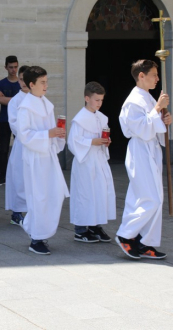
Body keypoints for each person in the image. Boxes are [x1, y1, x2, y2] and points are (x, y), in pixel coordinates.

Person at [115, 59, 173, 260]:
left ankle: (145, 242)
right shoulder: (133, 101)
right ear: (141, 75)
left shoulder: (147, 97)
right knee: (151, 199)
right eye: (154, 75)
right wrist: (157, 110)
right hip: (140, 151)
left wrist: (165, 120)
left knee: (146, 197)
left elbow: (154, 125)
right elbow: (140, 129)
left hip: (151, 151)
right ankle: (126, 235)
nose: (157, 79)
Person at [17, 66, 69, 255]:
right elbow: (24, 135)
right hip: (35, 158)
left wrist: (58, 135)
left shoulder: (47, 104)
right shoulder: (25, 107)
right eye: (42, 82)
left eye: (47, 81)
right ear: (32, 84)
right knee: (39, 197)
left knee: (53, 194)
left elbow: (50, 131)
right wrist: (49, 133)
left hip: (48, 156)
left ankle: (37, 228)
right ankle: (36, 238)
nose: (46, 85)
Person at [68, 81, 116, 243]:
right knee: (85, 194)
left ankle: (95, 225)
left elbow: (102, 137)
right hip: (85, 162)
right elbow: (74, 142)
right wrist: (91, 142)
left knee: (99, 193)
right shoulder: (80, 119)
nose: (99, 103)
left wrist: (105, 143)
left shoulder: (101, 118)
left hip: (99, 160)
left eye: (101, 100)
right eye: (96, 100)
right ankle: (80, 230)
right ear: (86, 98)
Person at [5, 65, 29, 226]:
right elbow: (14, 125)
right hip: (23, 145)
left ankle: (32, 210)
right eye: (21, 79)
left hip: (38, 146)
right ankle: (17, 212)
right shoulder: (15, 101)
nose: (23, 82)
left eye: (26, 79)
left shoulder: (41, 100)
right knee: (19, 178)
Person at [0, 55, 21, 186]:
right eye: (10, 67)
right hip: (4, 120)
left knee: (19, 148)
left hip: (19, 120)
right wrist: (17, 100)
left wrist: (8, 100)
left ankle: (17, 176)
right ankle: (2, 177)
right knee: (3, 149)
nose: (13, 70)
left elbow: (26, 100)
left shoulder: (21, 83)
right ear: (6, 67)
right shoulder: (1, 83)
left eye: (15, 67)